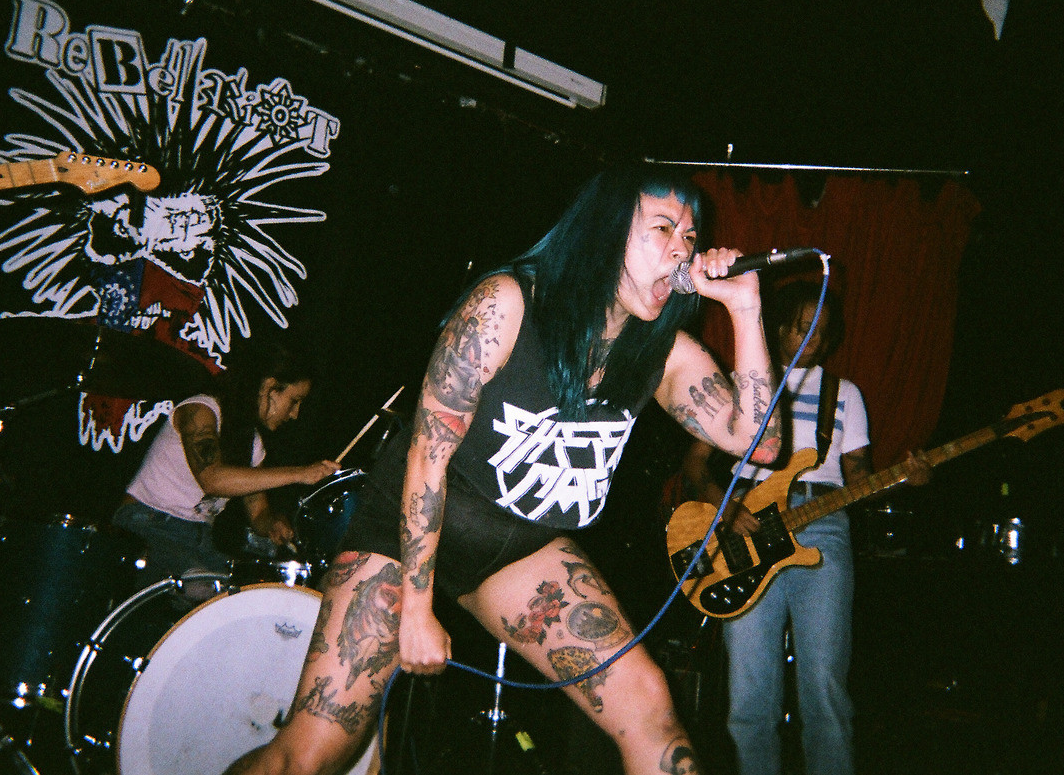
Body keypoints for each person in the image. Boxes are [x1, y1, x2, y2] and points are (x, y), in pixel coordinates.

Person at [225, 166, 783, 775]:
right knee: (308, 757)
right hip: (412, 528)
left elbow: (758, 444)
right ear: (604, 233)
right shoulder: (508, 304)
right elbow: (427, 455)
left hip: (521, 549)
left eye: (691, 237)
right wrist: (416, 607)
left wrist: (746, 309)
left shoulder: (662, 352)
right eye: (663, 228)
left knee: (649, 706)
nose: (682, 250)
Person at [677, 280, 929, 775]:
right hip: (747, 529)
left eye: (821, 330)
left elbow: (860, 480)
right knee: (749, 696)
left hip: (822, 524)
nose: (811, 338)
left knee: (825, 688)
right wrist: (724, 509)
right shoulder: (742, 385)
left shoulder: (845, 395)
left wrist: (903, 478)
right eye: (801, 326)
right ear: (778, 328)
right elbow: (694, 463)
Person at [112, 341, 340, 589]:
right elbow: (213, 479)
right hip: (149, 522)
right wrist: (300, 473)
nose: (295, 414)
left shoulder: (253, 443)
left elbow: (258, 513)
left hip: (198, 536)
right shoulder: (201, 410)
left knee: (244, 595)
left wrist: (272, 523)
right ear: (269, 387)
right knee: (203, 590)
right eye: (294, 401)